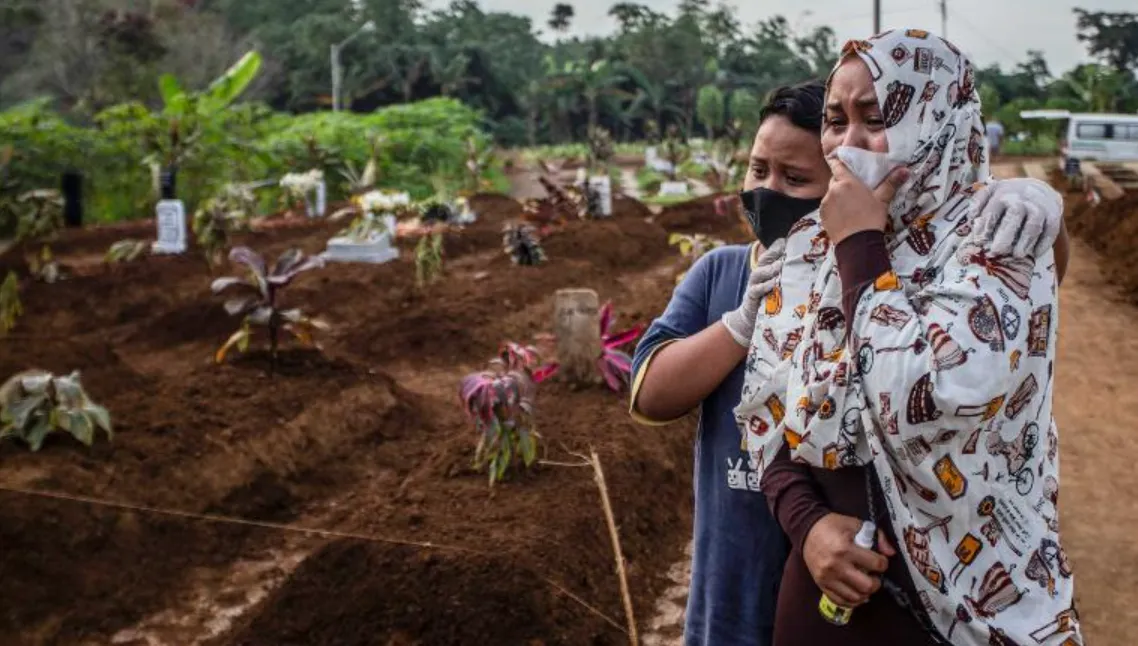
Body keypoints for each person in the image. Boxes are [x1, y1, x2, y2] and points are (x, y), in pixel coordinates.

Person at [630, 79, 1069, 644]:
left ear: (843, 181)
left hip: (839, 610)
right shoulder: (721, 273)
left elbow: (1022, 299)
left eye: (794, 179)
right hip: (730, 603)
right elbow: (649, 395)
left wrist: (1045, 213)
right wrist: (743, 325)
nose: (767, 190)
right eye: (757, 170)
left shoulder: (885, 284)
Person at [736, 29, 1081, 645]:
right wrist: (809, 526)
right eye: (836, 121)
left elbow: (923, 401)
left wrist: (860, 247)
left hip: (965, 603)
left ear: (939, 119)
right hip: (826, 600)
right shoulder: (810, 249)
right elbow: (769, 410)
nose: (848, 144)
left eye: (877, 118)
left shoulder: (998, 236)